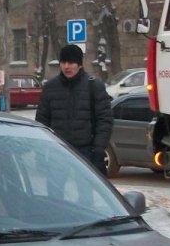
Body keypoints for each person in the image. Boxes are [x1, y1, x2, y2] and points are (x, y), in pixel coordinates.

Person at [36, 43, 113, 173]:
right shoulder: (50, 88)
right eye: (63, 62)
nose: (67, 66)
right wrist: (42, 148)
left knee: (85, 192)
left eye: (71, 62)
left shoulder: (93, 86)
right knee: (55, 192)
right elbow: (42, 121)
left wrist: (98, 149)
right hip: (58, 151)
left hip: (86, 152)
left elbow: (104, 120)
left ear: (80, 64)